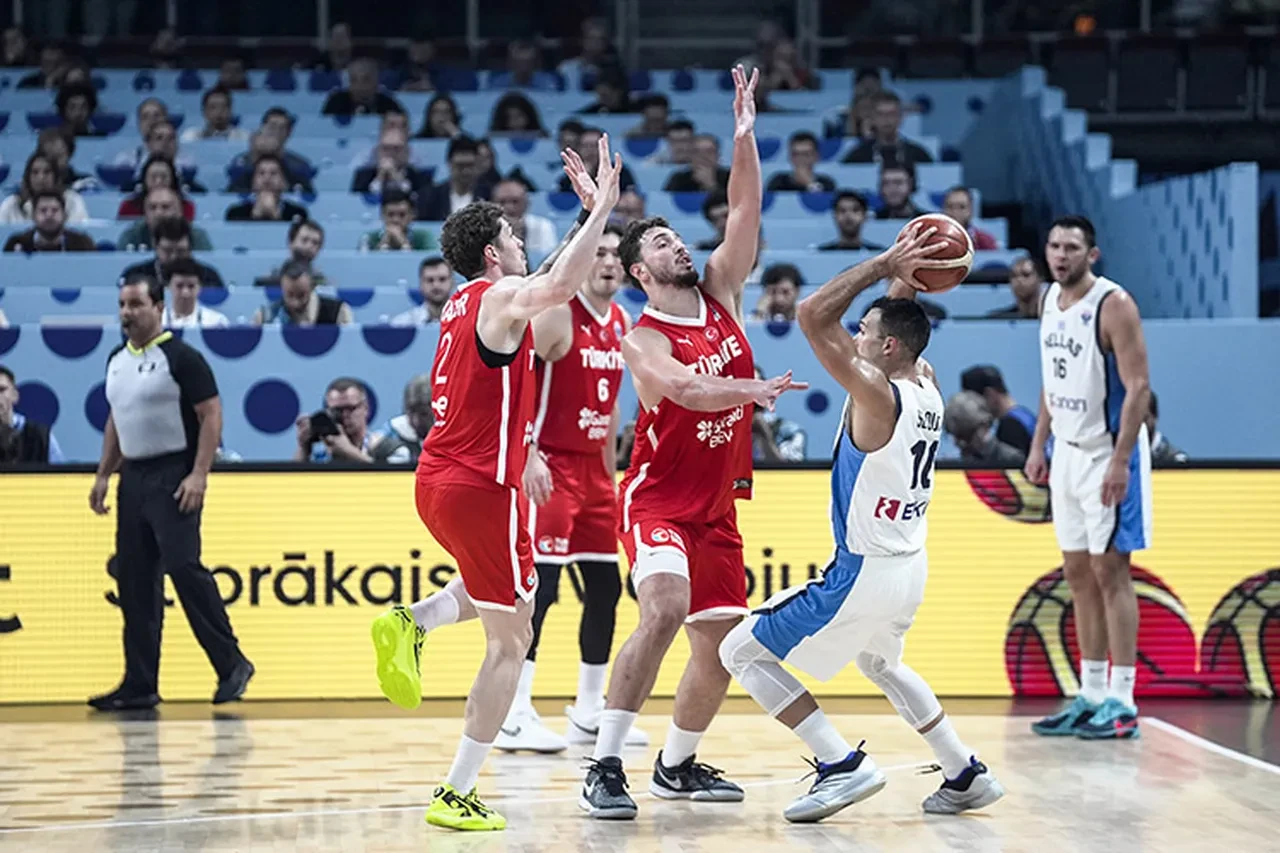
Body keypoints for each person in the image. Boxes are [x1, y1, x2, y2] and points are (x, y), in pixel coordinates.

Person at [366, 135, 625, 832]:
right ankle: (456, 789)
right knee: (513, 638)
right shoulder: (507, 294)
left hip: (437, 477)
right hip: (485, 485)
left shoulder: (464, 302)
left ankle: (412, 620)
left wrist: (584, 223)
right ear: (492, 253)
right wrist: (601, 208)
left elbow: (545, 281)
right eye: (513, 235)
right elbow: (560, 287)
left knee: (509, 592)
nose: (520, 243)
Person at [717, 226, 1005, 822]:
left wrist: (884, 262)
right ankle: (963, 771)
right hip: (909, 567)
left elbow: (811, 314)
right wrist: (910, 270)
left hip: (862, 571)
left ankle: (839, 764)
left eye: (865, 333)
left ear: (888, 349)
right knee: (881, 663)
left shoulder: (876, 393)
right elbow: (899, 317)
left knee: (740, 651)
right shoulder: (925, 385)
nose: (855, 336)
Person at [578, 66, 805, 820]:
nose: (682, 246)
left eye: (680, 237)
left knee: (721, 647)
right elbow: (687, 390)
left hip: (718, 502)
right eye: (665, 244)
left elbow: (745, 207)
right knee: (665, 605)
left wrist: (744, 128)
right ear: (642, 273)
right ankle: (605, 761)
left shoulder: (723, 289)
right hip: (658, 500)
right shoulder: (643, 339)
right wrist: (754, 390)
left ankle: (676, 765)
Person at [493, 223, 647, 754]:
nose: (606, 261)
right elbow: (518, 379)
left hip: (594, 473)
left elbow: (610, 409)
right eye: (597, 252)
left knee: (605, 588)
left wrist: (612, 478)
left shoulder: (622, 320)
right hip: (549, 466)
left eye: (614, 254)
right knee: (543, 590)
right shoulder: (559, 314)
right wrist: (528, 454)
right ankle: (514, 712)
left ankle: (589, 709)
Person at [87, 272, 254, 712]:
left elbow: (211, 415)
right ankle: (140, 683)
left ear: (158, 307)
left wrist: (199, 473)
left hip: (173, 471)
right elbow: (116, 420)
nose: (127, 313)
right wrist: (105, 474)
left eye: (136, 304)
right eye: (122, 305)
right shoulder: (116, 360)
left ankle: (231, 661)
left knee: (183, 567)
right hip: (134, 477)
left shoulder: (181, 357)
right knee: (135, 580)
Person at [1025, 215, 1152, 740]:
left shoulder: (1114, 304)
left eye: (1071, 247)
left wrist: (1121, 461)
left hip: (1108, 453)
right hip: (1067, 453)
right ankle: (1090, 691)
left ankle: (1122, 698)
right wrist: (1038, 444)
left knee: (1111, 572)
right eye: (1054, 245)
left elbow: (1140, 387)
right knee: (1076, 572)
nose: (1060, 254)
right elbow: (1051, 382)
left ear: (1092, 254)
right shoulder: (1046, 300)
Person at [959, 364, 1036, 454]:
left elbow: (1010, 466)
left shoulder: (1009, 427)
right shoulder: (1026, 417)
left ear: (989, 394)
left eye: (974, 402)